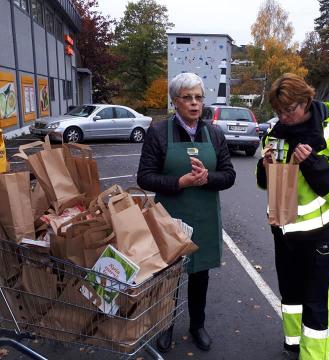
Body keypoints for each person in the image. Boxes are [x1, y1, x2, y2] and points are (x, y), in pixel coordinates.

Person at [256, 73, 329, 360]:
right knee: (290, 294)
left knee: (315, 302)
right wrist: (265, 165)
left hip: (321, 234)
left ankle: (313, 356)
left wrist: (313, 164)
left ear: (305, 100)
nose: (284, 117)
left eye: (289, 110)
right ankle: (292, 344)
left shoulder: (328, 131)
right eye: (279, 112)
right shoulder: (274, 133)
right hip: (284, 229)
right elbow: (268, 183)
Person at [137, 72, 236, 352]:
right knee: (169, 276)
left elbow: (228, 175)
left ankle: (197, 326)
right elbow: (145, 177)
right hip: (170, 215)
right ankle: (165, 326)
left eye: (198, 97)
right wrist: (179, 182)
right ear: (175, 102)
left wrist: (208, 178)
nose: (194, 103)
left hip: (204, 216)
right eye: (187, 98)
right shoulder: (158, 133)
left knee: (199, 273)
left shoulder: (214, 134)